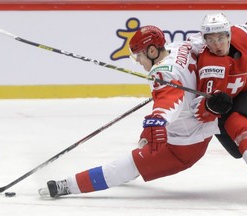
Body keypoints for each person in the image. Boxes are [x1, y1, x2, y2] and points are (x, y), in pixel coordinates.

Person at [38, 25, 221, 198]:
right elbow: (207, 37)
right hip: (199, 130)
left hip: (183, 147)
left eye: (139, 56)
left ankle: (66, 186)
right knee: (142, 145)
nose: (139, 62)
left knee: (126, 166)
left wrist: (158, 119)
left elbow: (169, 98)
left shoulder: (162, 73)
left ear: (152, 51)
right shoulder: (182, 46)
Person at [189, 13, 247, 176]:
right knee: (237, 150)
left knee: (236, 121)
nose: (217, 45)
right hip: (226, 107)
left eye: (221, 38)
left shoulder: (244, 34)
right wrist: (210, 106)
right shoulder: (210, 67)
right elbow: (200, 113)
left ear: (229, 34)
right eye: (210, 40)